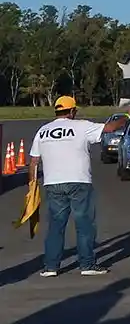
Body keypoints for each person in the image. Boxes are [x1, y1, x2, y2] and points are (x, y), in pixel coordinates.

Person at [28, 95, 109, 277]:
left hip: (53, 183)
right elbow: (108, 128)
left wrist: (32, 185)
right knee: (84, 224)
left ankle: (50, 267)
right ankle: (87, 265)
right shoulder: (81, 126)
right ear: (72, 111)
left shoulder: (43, 131)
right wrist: (127, 117)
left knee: (56, 226)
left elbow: (34, 161)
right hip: (78, 181)